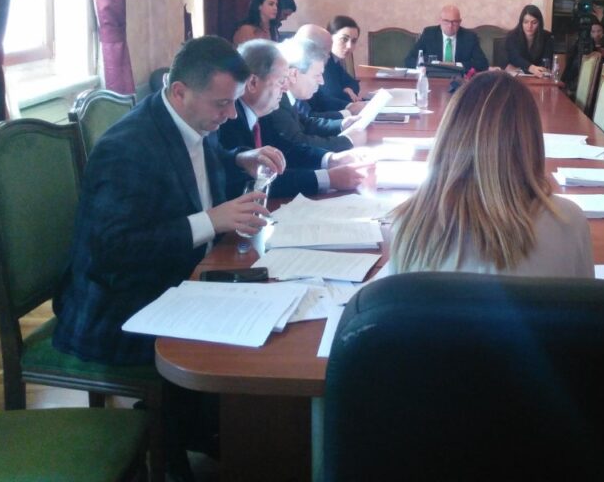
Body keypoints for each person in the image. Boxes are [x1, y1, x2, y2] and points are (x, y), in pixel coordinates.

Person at [53, 35, 285, 366]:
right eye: (223, 103)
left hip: (184, 277)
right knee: (247, 359)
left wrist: (239, 157)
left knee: (276, 320)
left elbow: (197, 164)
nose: (232, 114)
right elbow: (114, 251)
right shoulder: (126, 149)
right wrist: (211, 221)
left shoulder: (193, 117)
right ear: (179, 91)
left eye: (234, 101)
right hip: (123, 310)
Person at [388, 71, 593, 277]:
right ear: (531, 142)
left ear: (448, 136)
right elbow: (586, 297)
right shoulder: (569, 222)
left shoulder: (407, 225)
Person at [218, 39, 371, 198]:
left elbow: (285, 150)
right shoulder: (229, 120)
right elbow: (250, 183)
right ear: (253, 83)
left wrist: (332, 159)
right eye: (281, 81)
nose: (286, 88)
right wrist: (328, 179)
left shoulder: (261, 113)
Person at [262, 36, 365, 153]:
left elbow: (304, 123)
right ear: (294, 74)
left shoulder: (287, 97)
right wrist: (346, 141)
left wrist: (341, 124)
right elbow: (297, 142)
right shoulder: (276, 100)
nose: (322, 82)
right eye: (317, 75)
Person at [405, 5, 489, 72]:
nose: (450, 26)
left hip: (459, 80)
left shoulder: (469, 37)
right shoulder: (429, 34)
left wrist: (456, 65)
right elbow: (409, 60)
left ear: (460, 22)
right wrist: (430, 65)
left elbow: (483, 64)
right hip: (434, 78)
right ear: (440, 20)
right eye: (446, 21)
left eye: (454, 22)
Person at [309, 17, 363, 114]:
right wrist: (349, 103)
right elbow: (329, 97)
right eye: (344, 39)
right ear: (329, 38)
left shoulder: (334, 61)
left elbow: (352, 82)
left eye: (353, 41)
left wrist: (348, 88)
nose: (349, 46)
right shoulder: (322, 62)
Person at [504, 5, 555, 76]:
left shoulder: (547, 37)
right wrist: (531, 68)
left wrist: (527, 68)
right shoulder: (512, 36)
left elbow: (546, 63)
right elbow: (514, 58)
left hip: (539, 76)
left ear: (540, 23)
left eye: (534, 23)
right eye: (526, 22)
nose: (529, 26)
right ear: (521, 23)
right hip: (517, 77)